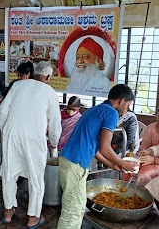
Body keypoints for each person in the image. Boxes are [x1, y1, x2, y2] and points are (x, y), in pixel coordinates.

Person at [57, 84, 137, 229]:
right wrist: (123, 163)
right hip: (75, 164)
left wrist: (113, 165)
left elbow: (95, 149)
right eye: (127, 105)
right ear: (121, 101)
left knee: (78, 208)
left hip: (70, 161)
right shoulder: (111, 113)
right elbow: (105, 147)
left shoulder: (95, 109)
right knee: (72, 212)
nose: (126, 109)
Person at [0, 61, 61, 228]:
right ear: (48, 77)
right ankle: (33, 217)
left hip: (12, 135)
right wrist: (54, 144)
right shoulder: (50, 92)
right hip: (34, 139)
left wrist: (8, 132)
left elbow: (1, 113)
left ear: (34, 73)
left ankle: (8, 212)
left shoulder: (18, 85)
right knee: (36, 178)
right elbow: (55, 124)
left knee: (9, 174)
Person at [125, 103, 159, 186]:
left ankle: (145, 195)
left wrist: (155, 157)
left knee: (142, 174)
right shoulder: (150, 128)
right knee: (130, 167)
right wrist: (143, 153)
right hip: (150, 155)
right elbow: (144, 147)